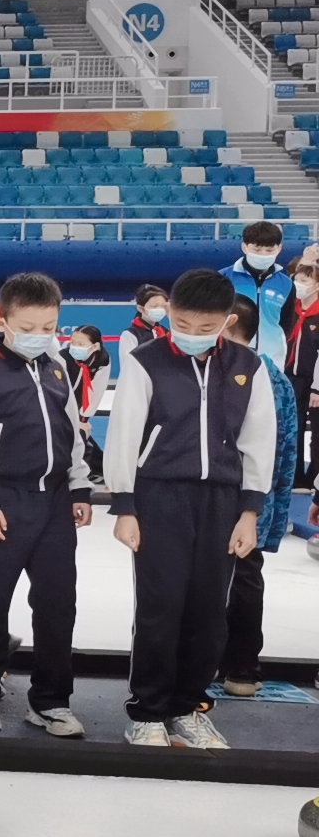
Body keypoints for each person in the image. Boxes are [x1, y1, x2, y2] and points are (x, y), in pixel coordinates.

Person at [105, 267, 275, 749]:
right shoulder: (145, 361)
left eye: (206, 327)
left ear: (227, 321)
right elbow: (124, 434)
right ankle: (147, 711)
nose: (192, 334)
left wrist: (250, 511)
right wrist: (124, 506)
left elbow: (259, 439)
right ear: (170, 313)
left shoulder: (248, 366)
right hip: (160, 496)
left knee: (209, 612)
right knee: (160, 607)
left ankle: (187, 707)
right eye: (182, 323)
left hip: (222, 500)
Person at [0, 272, 92, 737]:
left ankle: (51, 701)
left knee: (58, 605)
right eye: (27, 328)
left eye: (48, 327)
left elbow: (70, 433)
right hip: (4, 501)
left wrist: (79, 487)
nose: (38, 336)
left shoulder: (57, 368)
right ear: (3, 322)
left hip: (54, 503)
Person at [219, 295, 297, 699]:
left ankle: (236, 667)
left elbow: (280, 447)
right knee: (242, 579)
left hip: (238, 498)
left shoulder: (256, 375)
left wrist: (264, 509)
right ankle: (240, 668)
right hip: (252, 500)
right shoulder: (277, 378)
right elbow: (288, 452)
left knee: (236, 582)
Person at [221, 220, 291, 368]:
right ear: (244, 247)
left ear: (279, 249)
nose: (263, 255)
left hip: (272, 358)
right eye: (257, 250)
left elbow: (286, 323)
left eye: (269, 250)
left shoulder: (286, 284)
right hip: (230, 355)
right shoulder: (223, 278)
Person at [280, 260, 319, 488]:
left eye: (304, 281)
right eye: (296, 280)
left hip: (313, 379)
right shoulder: (290, 310)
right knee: (292, 427)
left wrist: (317, 386)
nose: (299, 285)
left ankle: (314, 477)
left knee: (317, 431)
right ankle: (293, 477)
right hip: (291, 376)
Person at [64, 323, 111, 482]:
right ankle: (87, 469)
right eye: (73, 342)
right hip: (62, 404)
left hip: (81, 403)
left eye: (81, 344)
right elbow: (58, 390)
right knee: (73, 434)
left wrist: (83, 419)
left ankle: (91, 469)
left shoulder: (102, 360)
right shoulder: (62, 358)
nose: (75, 347)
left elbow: (96, 392)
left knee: (82, 433)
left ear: (95, 346)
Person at [116, 284, 168, 372]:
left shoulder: (166, 332)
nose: (159, 309)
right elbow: (128, 366)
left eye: (163, 306)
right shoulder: (131, 334)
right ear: (141, 308)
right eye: (154, 306)